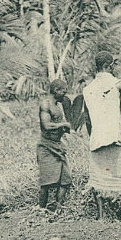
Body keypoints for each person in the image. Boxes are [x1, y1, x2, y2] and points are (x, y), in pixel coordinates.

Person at [81, 51, 121, 221]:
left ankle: (101, 216)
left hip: (97, 138)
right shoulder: (118, 84)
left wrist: (93, 136)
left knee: (98, 179)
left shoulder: (87, 89)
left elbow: (87, 119)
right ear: (109, 66)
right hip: (116, 136)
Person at [37, 79, 72, 211]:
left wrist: (65, 129)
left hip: (58, 146)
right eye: (63, 92)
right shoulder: (45, 104)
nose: (65, 95)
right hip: (46, 146)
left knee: (65, 179)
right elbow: (46, 125)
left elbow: (58, 123)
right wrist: (62, 125)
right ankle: (41, 209)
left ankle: (58, 206)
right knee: (46, 181)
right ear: (56, 90)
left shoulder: (59, 105)